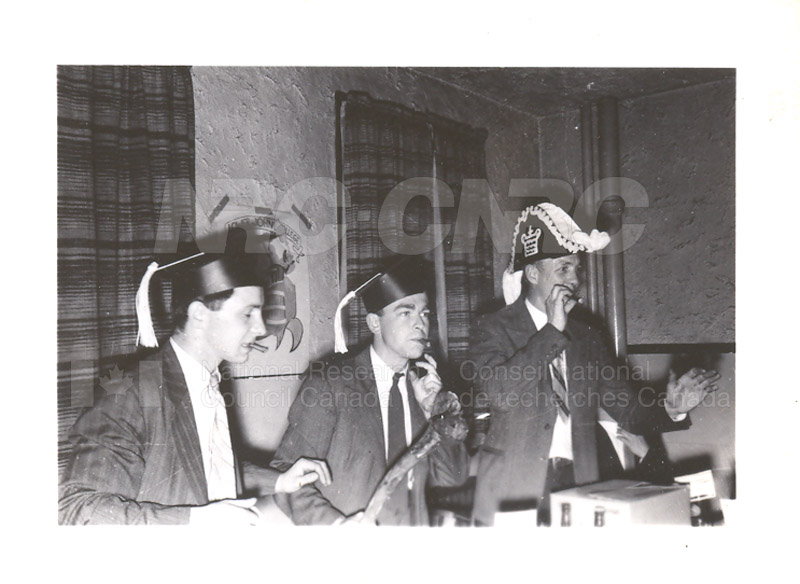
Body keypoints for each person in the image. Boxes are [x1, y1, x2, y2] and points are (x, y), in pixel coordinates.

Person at [469, 203, 720, 525]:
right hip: (512, 488)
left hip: (579, 483)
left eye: (577, 269)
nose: (575, 279)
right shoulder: (493, 327)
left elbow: (628, 410)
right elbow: (499, 394)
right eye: (563, 269)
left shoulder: (587, 336)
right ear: (533, 273)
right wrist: (552, 332)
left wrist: (672, 407)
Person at [59, 228, 331, 525]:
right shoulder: (127, 392)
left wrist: (278, 481)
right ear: (200, 315)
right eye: (248, 314)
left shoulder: (209, 379)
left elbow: (202, 467)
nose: (262, 329)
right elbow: (78, 509)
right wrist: (193, 522)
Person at [269, 259, 469, 525]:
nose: (420, 324)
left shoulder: (423, 391)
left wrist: (436, 415)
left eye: (425, 313)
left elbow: (453, 478)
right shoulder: (332, 385)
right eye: (405, 313)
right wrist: (336, 527)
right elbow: (285, 473)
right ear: (374, 323)